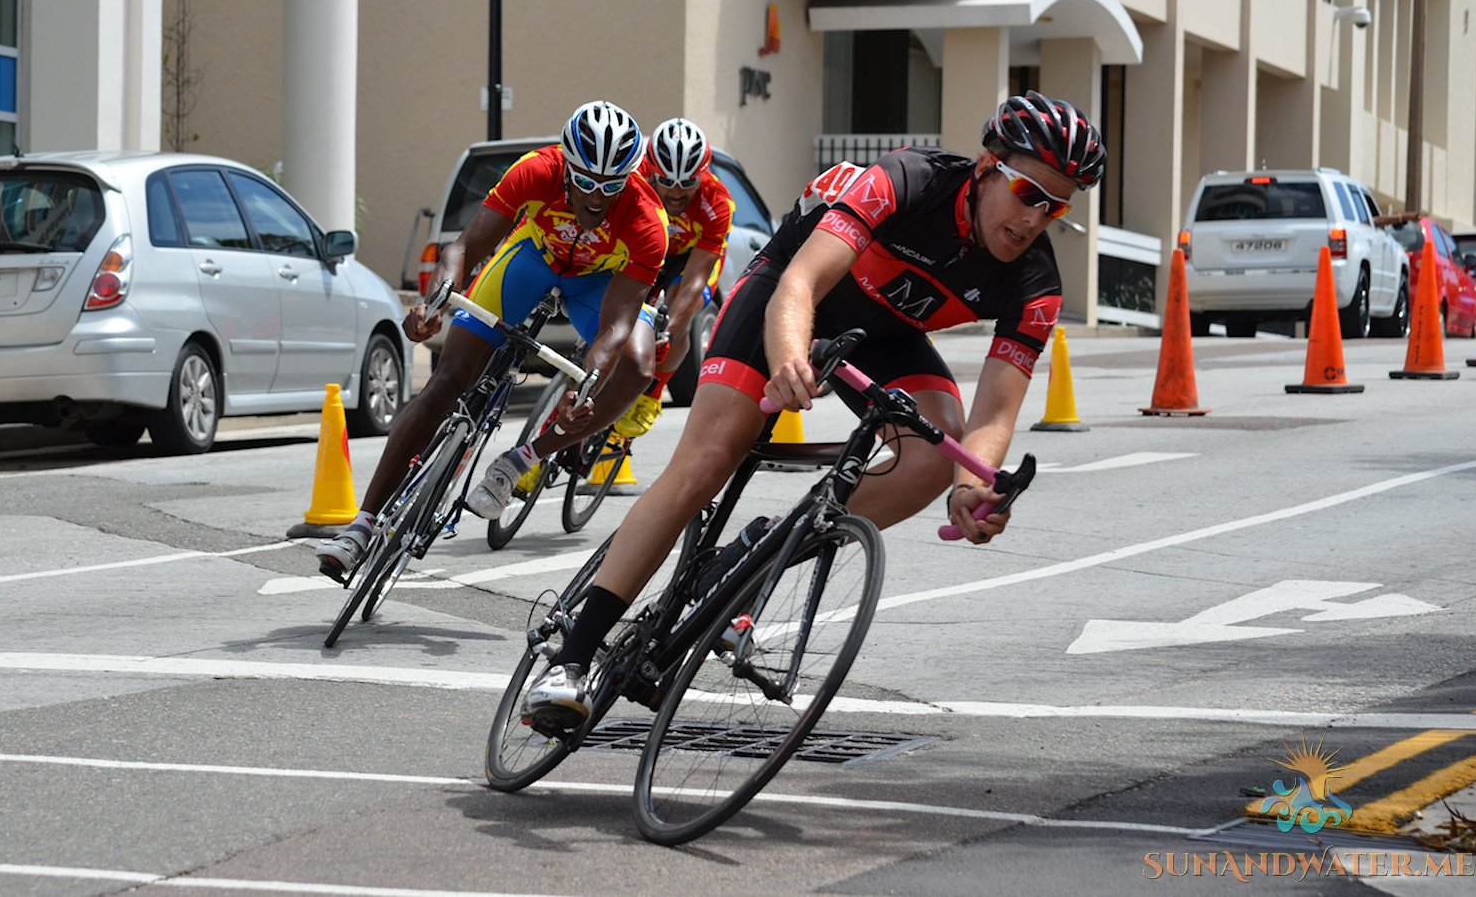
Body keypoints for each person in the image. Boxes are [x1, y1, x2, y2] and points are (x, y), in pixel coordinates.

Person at [522, 90, 1106, 727]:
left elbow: (995, 412)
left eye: (1056, 209)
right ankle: (571, 660)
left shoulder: (1035, 283)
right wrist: (791, 359)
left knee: (937, 451)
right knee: (710, 458)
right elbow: (799, 285)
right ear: (989, 166)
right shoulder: (907, 182)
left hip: (882, 335)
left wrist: (973, 484)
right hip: (788, 293)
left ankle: (760, 553)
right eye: (1029, 195)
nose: (1034, 220)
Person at [315, 100, 668, 581]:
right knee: (448, 381)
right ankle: (362, 524)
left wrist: (586, 385)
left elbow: (617, 325)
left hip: (598, 283)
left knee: (637, 365)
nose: (595, 198)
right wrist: (433, 302)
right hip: (535, 258)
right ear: (566, 166)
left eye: (611, 186)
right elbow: (463, 248)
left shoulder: (648, 220)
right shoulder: (536, 171)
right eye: (585, 182)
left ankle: (524, 459)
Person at [608, 117, 735, 440]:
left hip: (689, 259)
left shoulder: (717, 202)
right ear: (651, 171)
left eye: (687, 183)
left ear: (702, 175)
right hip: (648, 247)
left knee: (681, 310)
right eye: (666, 181)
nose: (676, 193)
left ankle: (653, 396)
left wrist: (669, 330)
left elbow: (695, 279)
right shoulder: (635, 186)